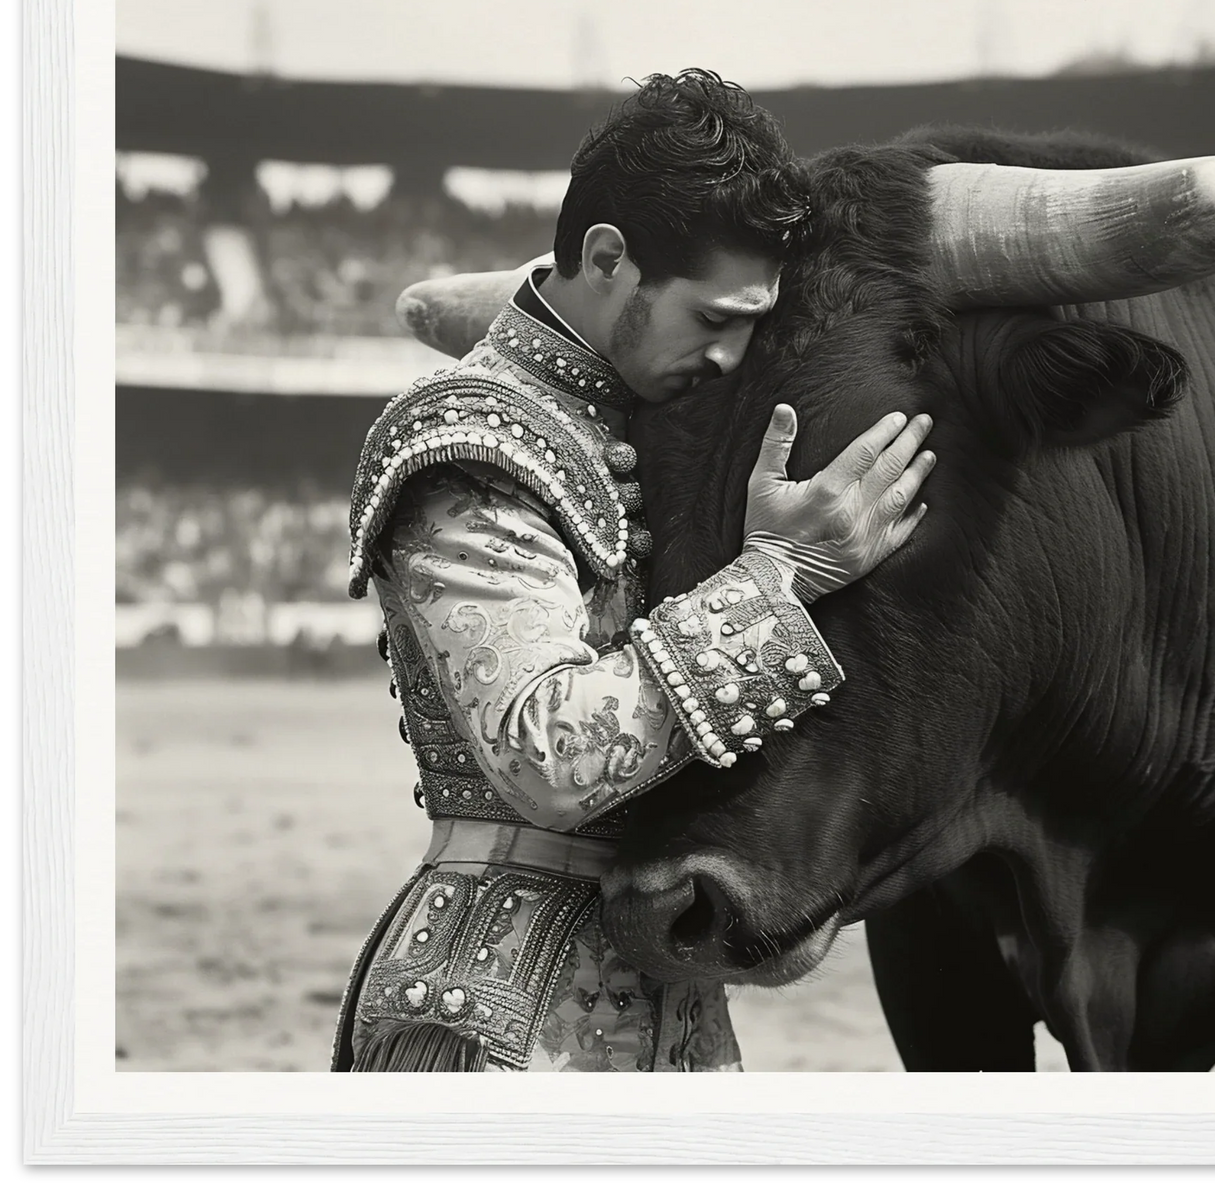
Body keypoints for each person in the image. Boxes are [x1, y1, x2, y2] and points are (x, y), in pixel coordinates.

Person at [332, 69, 936, 1073]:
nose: (732, 355)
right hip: (497, 1016)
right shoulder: (476, 436)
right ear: (607, 258)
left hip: (672, 1006)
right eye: (712, 319)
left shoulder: (646, 419)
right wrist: (778, 575)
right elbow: (548, 754)